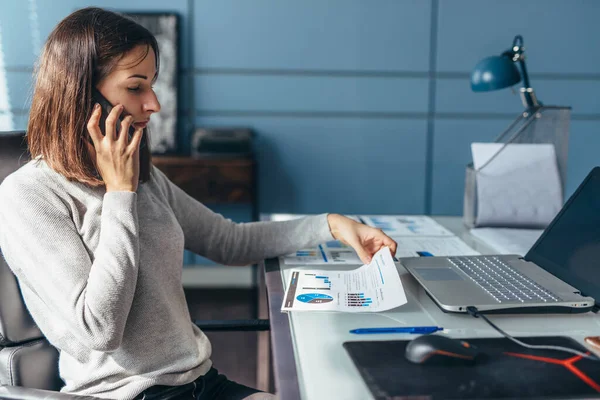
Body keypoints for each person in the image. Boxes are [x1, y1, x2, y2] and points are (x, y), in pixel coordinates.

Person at [0, 7, 398, 400]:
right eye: (136, 87)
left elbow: (229, 241)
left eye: (152, 85)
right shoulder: (29, 196)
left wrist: (331, 224)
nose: (154, 103)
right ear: (83, 94)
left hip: (200, 383)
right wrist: (120, 195)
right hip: (128, 394)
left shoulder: (143, 178)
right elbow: (99, 330)